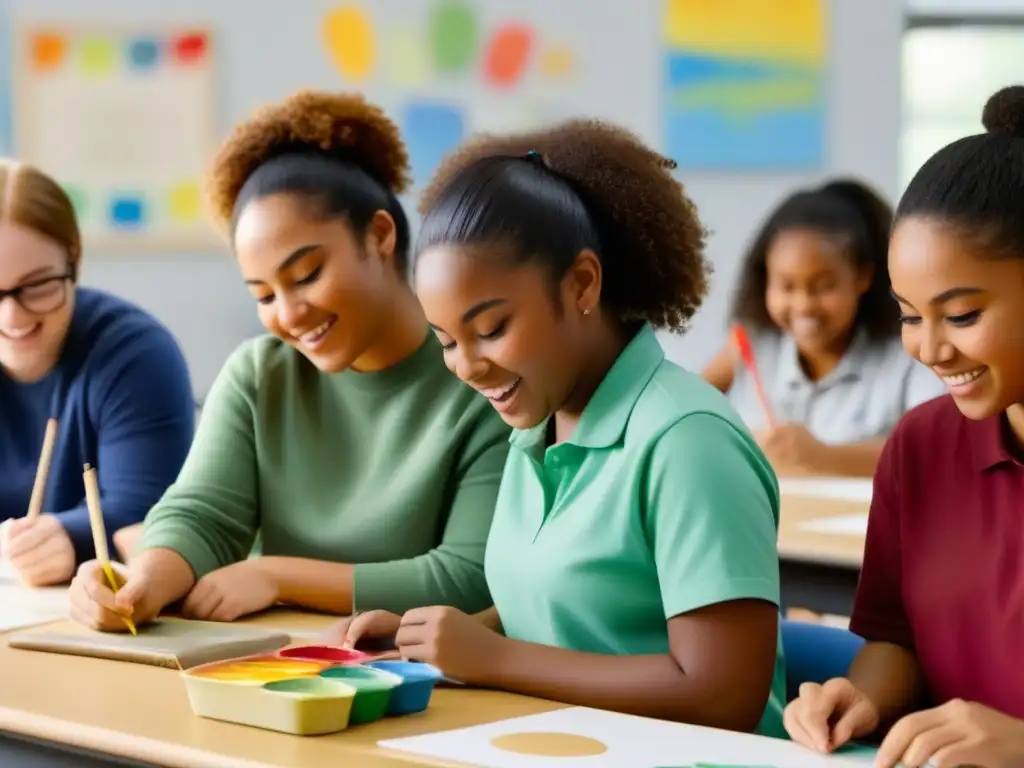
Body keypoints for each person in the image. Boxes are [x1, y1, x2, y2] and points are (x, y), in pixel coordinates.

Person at [324, 122, 788, 736]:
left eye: (490, 329)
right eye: (446, 342)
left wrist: (494, 659)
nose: (466, 366)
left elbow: (723, 693)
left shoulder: (688, 440)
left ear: (582, 284)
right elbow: (564, 617)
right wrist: (432, 638)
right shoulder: (537, 428)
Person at [66, 91, 510, 630]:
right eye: (264, 294)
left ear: (379, 236)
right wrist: (142, 583)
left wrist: (275, 575)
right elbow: (202, 516)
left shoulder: (483, 379)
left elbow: (465, 578)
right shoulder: (259, 374)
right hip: (270, 670)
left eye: (306, 275)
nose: (290, 313)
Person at [783, 86, 1024, 768]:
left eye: (962, 314)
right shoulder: (919, 447)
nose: (929, 348)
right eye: (911, 315)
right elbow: (899, 641)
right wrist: (860, 696)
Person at [0, 159, 194, 587]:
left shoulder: (136, 354)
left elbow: (150, 509)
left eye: (37, 285)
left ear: (75, 259)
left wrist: (71, 537)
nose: (12, 317)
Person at [703, 180, 944, 477]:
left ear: (862, 277)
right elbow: (681, 409)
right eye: (786, 286)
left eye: (823, 286)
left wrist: (824, 457)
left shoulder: (909, 354)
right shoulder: (749, 344)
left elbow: (936, 449)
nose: (803, 305)